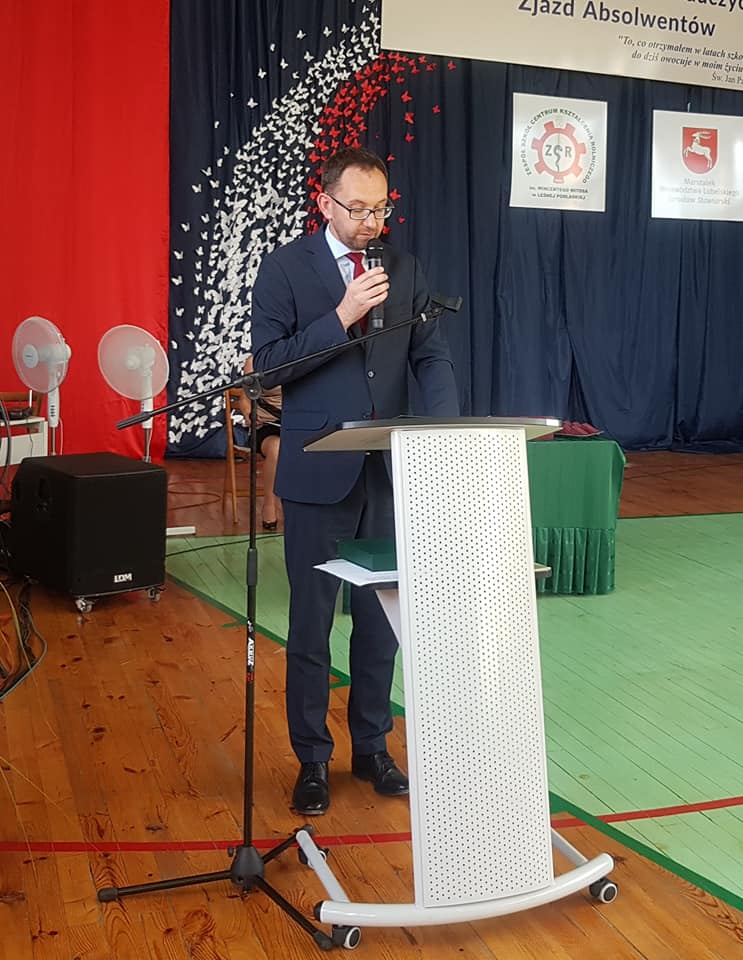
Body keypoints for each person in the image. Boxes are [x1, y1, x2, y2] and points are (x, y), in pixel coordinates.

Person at [251, 146, 459, 815]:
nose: (372, 222)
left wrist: (444, 432)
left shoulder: (406, 268)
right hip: (317, 470)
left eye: (381, 209)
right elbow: (268, 367)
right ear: (325, 203)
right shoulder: (285, 268)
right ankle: (312, 758)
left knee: (380, 623)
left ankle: (372, 746)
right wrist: (340, 315)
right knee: (311, 626)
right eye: (359, 209)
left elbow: (429, 357)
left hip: (388, 473)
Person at [239, 355, 282, 530]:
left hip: (297, 425)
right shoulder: (255, 361)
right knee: (276, 448)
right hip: (267, 426)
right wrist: (250, 416)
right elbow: (245, 400)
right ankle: (269, 504)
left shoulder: (302, 354)